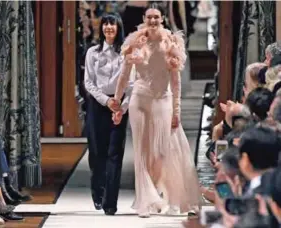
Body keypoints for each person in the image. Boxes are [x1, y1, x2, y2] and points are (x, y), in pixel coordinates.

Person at [111, 3, 201, 218]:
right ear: (144, 18)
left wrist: (177, 110)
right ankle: (145, 201)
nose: (152, 21)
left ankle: (165, 195)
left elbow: (176, 81)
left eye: (156, 17)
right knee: (141, 153)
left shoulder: (170, 42)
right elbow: (124, 75)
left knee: (162, 152)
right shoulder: (135, 42)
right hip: (140, 100)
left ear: (162, 19)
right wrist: (116, 100)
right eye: (149, 17)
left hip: (164, 100)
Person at [83, 13, 132, 216]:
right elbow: (88, 82)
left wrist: (121, 106)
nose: (108, 27)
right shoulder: (92, 53)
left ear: (119, 27)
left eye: (112, 24)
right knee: (97, 152)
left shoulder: (127, 53)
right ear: (101, 28)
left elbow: (131, 84)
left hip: (119, 106)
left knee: (115, 154)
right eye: (105, 24)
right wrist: (106, 101)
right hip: (97, 105)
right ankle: (98, 191)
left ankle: (110, 202)